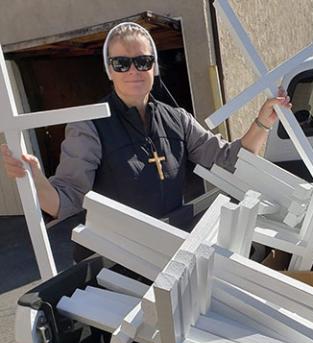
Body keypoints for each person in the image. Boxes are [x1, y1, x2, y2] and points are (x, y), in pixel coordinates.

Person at [1, 22, 291, 230]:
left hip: (174, 244)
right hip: (120, 261)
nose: (133, 71)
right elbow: (68, 199)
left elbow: (228, 160)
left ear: (154, 67)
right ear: (109, 70)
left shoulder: (177, 119)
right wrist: (34, 180)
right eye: (121, 63)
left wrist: (262, 123)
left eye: (142, 61)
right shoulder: (88, 126)